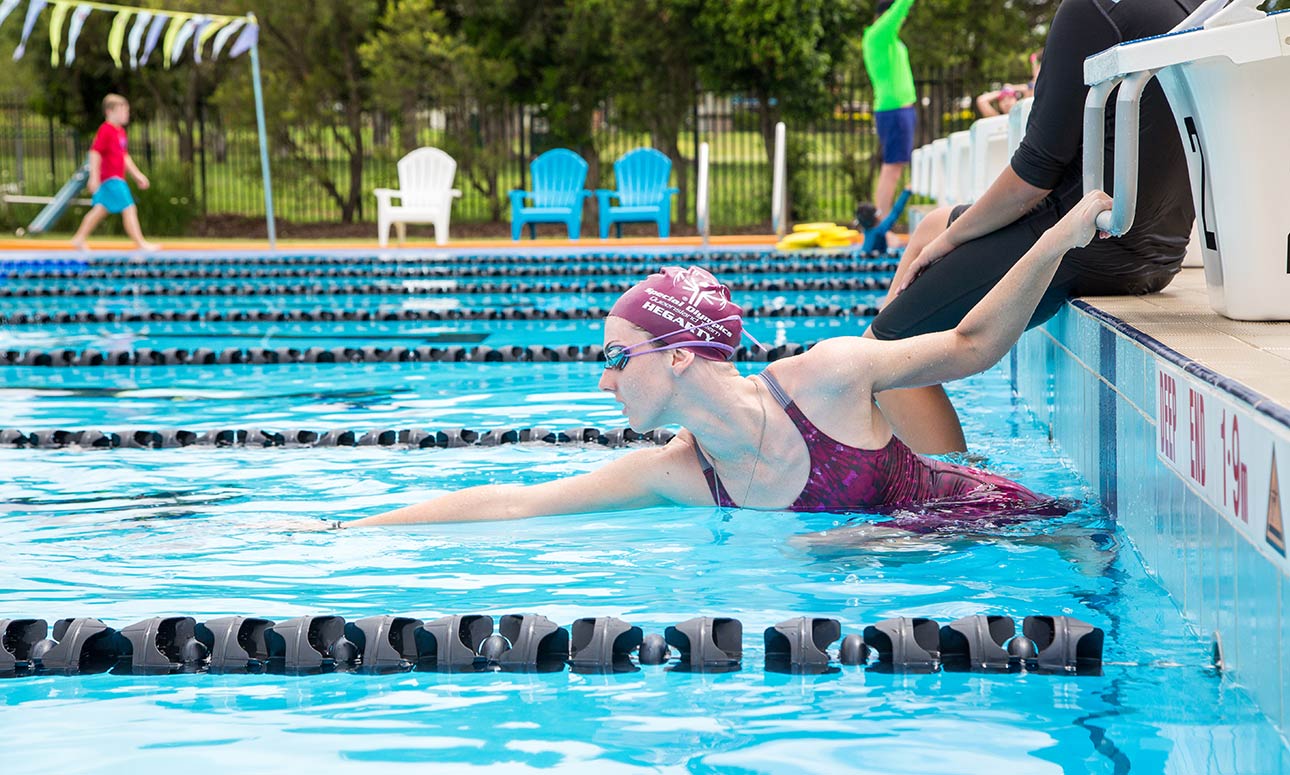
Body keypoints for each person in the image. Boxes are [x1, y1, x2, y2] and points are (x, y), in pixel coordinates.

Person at [338, 190, 1114, 530]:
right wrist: (345, 528)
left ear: (678, 356)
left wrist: (1058, 240)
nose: (602, 378)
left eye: (615, 356)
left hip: (1011, 525)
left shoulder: (828, 377)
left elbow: (971, 347)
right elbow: (516, 503)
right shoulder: (677, 473)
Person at [865, 0, 1201, 457]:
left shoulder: (1092, 10)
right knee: (927, 228)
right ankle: (894, 423)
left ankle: (960, 506)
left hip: (1093, 237)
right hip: (1158, 245)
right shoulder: (1188, 4)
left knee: (881, 355)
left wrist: (953, 239)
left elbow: (1032, 179)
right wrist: (943, 233)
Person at [70, 94, 158, 252]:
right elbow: (95, 153)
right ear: (110, 111)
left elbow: (124, 157)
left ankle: (78, 238)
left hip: (116, 178)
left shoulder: (120, 132)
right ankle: (140, 243)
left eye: (127, 111)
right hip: (111, 179)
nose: (126, 114)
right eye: (122, 111)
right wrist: (94, 178)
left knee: (100, 209)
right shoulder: (106, 130)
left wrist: (137, 175)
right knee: (129, 208)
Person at [858, 0, 918, 230]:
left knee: (894, 167)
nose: (901, 21)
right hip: (893, 110)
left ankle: (881, 226)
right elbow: (900, 8)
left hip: (900, 110)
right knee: (891, 168)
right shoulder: (878, 35)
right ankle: (880, 227)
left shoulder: (889, 40)